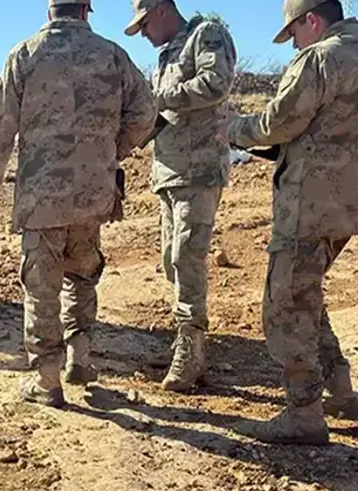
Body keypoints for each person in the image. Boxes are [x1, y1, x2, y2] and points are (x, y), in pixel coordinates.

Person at [0, 0, 157, 407]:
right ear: (87, 10)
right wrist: (110, 153)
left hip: (43, 197)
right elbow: (146, 113)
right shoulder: (112, 54)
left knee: (42, 287)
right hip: (94, 194)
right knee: (83, 274)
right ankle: (81, 358)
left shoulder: (24, 55)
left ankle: (47, 381)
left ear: (49, 11)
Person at [223, 0, 358, 445]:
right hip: (346, 208)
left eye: (294, 34)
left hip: (309, 205)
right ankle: (340, 389)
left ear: (312, 21)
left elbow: (279, 121)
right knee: (307, 296)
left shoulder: (321, 58)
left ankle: (303, 413)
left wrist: (233, 128)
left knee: (284, 307)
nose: (293, 45)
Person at [123, 0, 237, 392]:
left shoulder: (205, 35)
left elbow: (215, 83)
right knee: (171, 262)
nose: (145, 36)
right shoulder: (167, 54)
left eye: (144, 26)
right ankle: (187, 344)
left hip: (199, 170)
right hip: (169, 174)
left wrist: (161, 97)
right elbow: (163, 115)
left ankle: (190, 352)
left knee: (186, 258)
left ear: (160, 10)